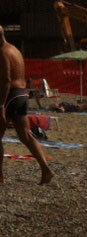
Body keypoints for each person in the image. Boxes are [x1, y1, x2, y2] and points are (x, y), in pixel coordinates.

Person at [0, 27, 54, 185]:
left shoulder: (2, 51)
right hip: (22, 94)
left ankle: (0, 178)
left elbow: (6, 79)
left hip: (11, 95)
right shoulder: (14, 50)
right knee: (26, 135)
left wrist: (1, 105)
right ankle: (46, 169)